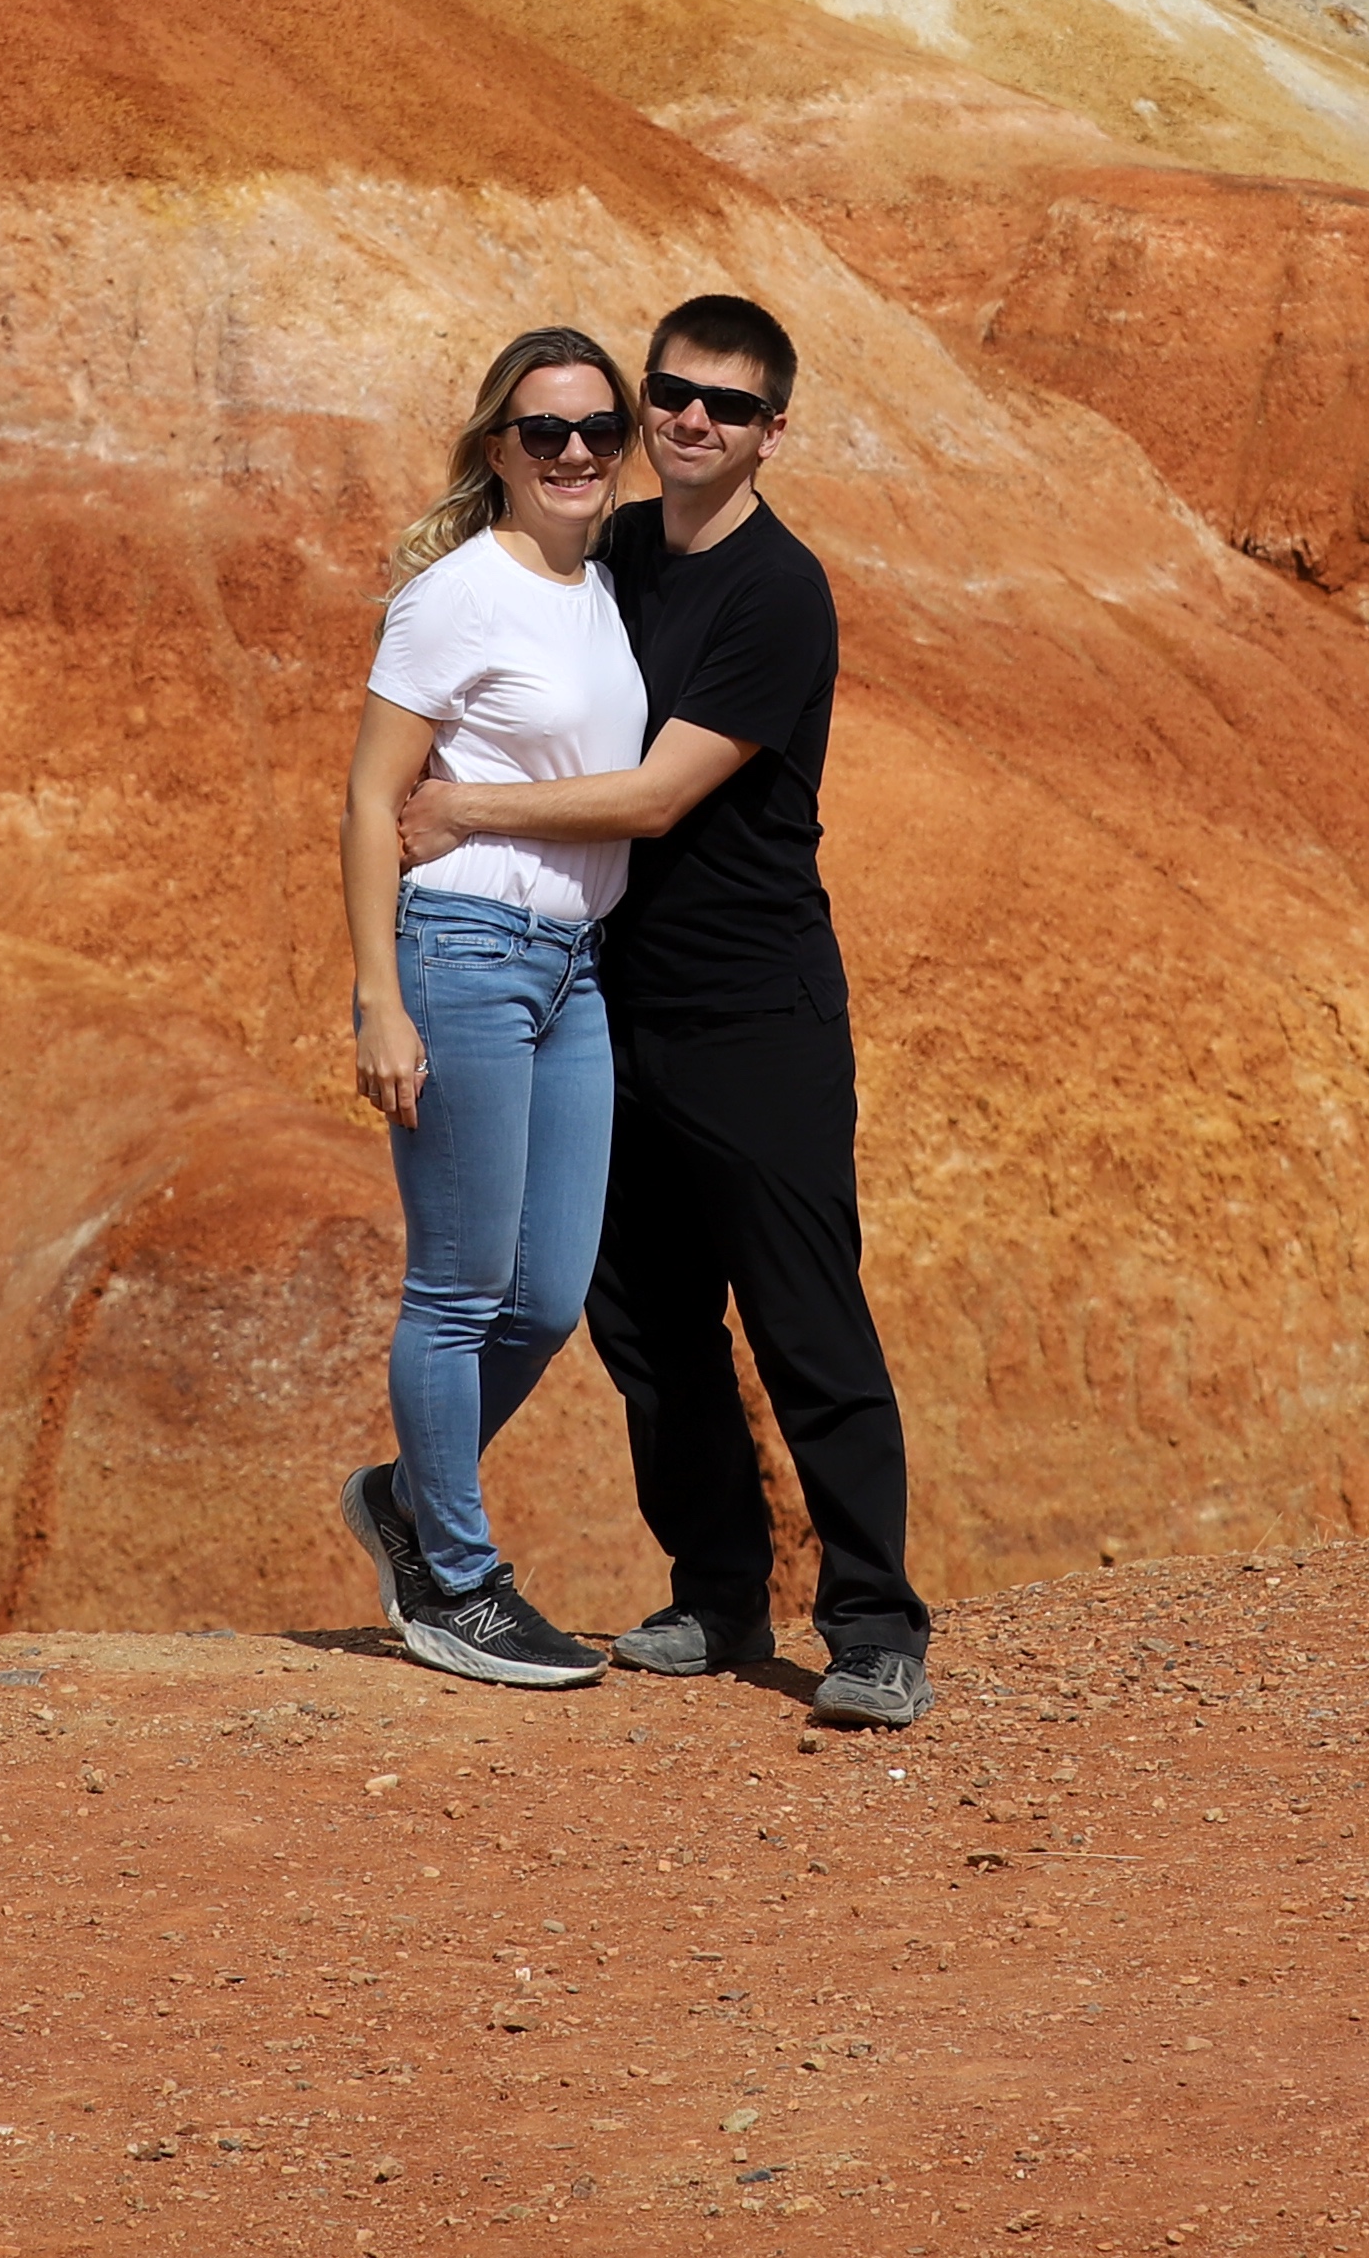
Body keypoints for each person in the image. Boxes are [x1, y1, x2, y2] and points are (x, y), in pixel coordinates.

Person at [401, 291, 928, 1731]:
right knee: (649, 1329)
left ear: (772, 433)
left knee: (806, 1318)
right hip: (606, 996)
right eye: (673, 394)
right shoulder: (618, 549)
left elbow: (655, 796)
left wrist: (464, 810)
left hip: (755, 1013)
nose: (693, 420)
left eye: (729, 405)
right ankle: (717, 1593)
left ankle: (875, 1626)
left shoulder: (778, 591)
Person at [334, 325, 647, 1690]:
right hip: (465, 952)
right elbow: (370, 799)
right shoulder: (456, 595)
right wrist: (378, 1000)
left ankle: (404, 1498)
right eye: (544, 432)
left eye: (598, 428)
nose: (575, 452)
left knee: (551, 1294)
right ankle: (454, 1582)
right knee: (459, 1289)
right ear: (498, 451)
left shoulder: (603, 586)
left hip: (576, 968)